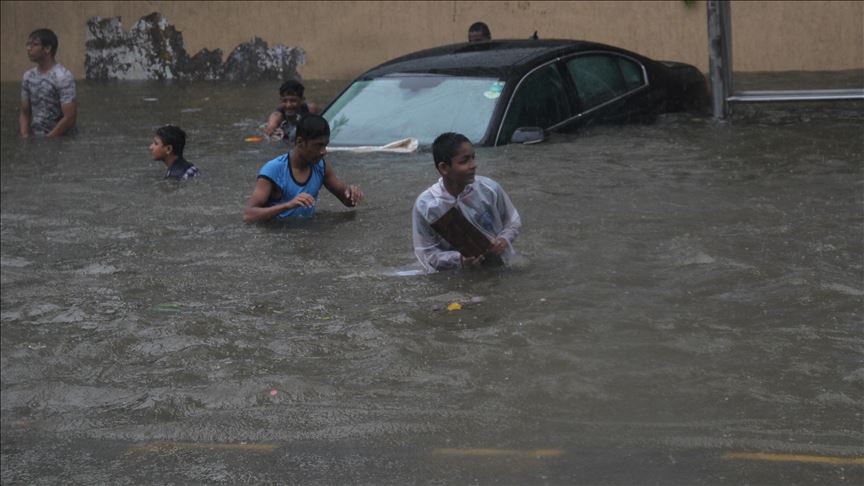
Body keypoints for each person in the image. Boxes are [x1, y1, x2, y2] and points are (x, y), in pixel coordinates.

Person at [412, 132, 521, 272]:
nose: (473, 165)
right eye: (464, 161)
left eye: (473, 158)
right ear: (444, 168)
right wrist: (459, 260)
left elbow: (512, 222)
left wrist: (503, 241)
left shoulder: (489, 189)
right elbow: (426, 253)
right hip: (457, 274)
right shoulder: (427, 205)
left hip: (499, 266)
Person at [243, 114, 362, 222]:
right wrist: (288, 205)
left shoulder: (321, 166)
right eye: (318, 145)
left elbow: (347, 201)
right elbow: (248, 215)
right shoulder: (273, 169)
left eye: (325, 145)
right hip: (277, 234)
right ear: (300, 142)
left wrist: (352, 195)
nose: (323, 152)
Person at [19, 28, 77, 138]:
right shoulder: (28, 76)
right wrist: (25, 136)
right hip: (37, 137)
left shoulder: (63, 77)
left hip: (60, 139)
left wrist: (48, 140)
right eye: (28, 44)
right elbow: (24, 113)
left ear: (47, 48)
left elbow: (70, 118)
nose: (28, 48)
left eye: (34, 44)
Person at [262, 79, 320, 146]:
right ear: (280, 100)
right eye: (284, 101)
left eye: (293, 101)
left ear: (302, 100)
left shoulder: (311, 110)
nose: (288, 105)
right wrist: (271, 129)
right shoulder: (278, 115)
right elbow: (271, 126)